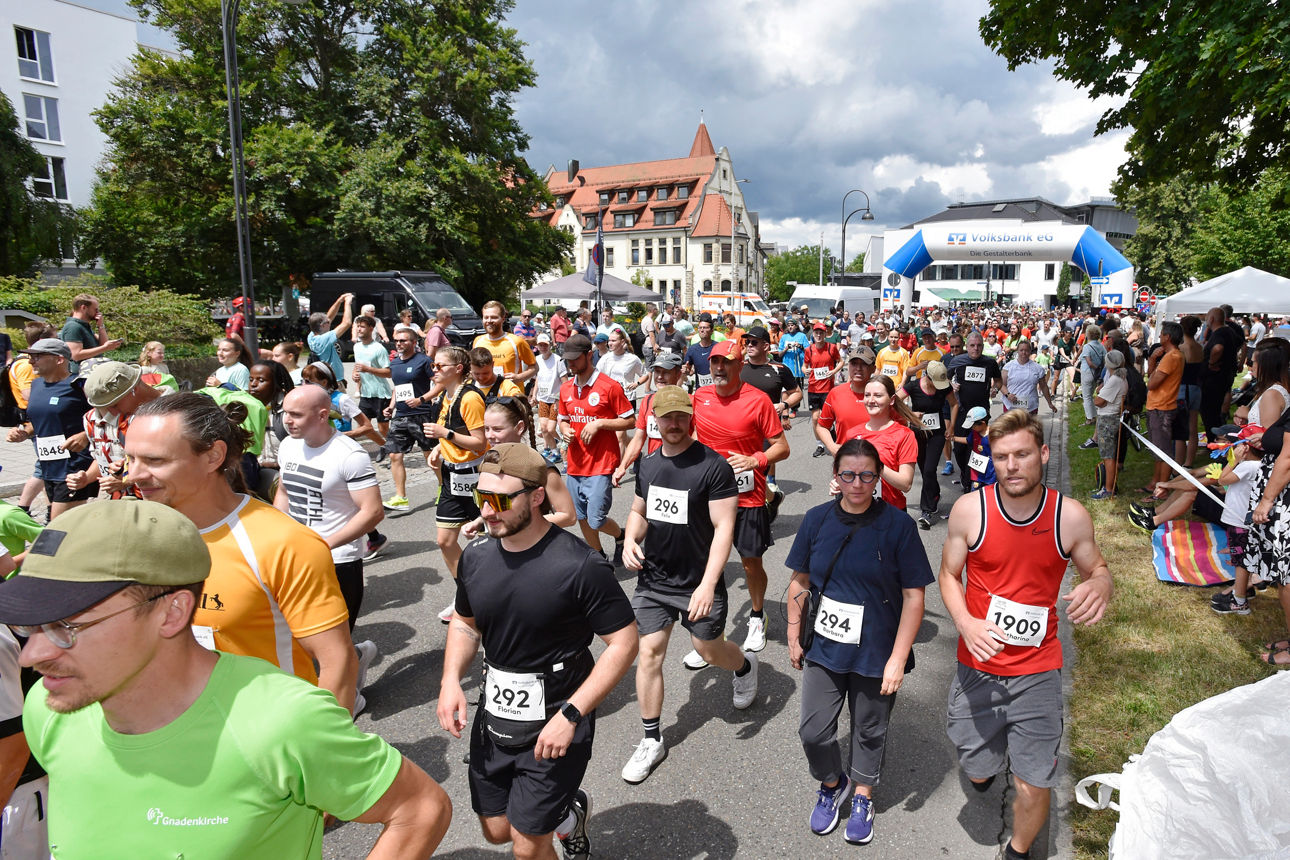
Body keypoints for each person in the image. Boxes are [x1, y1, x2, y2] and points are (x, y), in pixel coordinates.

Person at [0, 500, 451, 857]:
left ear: (171, 612)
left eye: (65, 627)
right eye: (29, 626)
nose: (32, 657)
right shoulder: (48, 707)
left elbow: (420, 809)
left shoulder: (281, 721)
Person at [437, 444, 638, 860]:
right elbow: (464, 622)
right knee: (497, 830)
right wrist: (450, 680)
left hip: (558, 715)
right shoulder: (475, 557)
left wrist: (571, 715)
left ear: (536, 497)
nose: (487, 511)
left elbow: (624, 642)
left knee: (528, 847)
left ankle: (548, 822)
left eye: (499, 501)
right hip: (496, 715)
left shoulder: (581, 566)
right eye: (480, 497)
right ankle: (567, 814)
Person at [939, 409, 1112, 860]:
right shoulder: (970, 510)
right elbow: (948, 575)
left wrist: (1100, 584)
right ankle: (985, 766)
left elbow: (1097, 568)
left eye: (1022, 454)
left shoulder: (1069, 517)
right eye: (1001, 457)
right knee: (978, 768)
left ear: (1044, 453)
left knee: (1033, 783)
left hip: (1038, 670)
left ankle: (1017, 851)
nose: (1011, 466)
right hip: (978, 667)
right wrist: (966, 623)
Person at [126, 394, 360, 710]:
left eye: (155, 461)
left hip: (272, 729)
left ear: (213, 456)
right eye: (130, 459)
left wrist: (325, 739)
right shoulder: (136, 536)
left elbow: (338, 661)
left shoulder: (284, 542)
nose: (134, 475)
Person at [786, 438, 933, 845]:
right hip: (825, 646)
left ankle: (864, 794)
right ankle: (833, 784)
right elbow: (799, 581)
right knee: (814, 732)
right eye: (848, 475)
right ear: (836, 475)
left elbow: (914, 596)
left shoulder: (899, 526)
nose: (857, 484)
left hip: (876, 650)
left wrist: (897, 659)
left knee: (869, 729)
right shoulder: (816, 519)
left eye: (867, 475)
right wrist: (794, 634)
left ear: (878, 477)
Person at [620, 387, 757, 785]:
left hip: (698, 581)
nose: (674, 424)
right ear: (655, 421)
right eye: (667, 417)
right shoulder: (648, 464)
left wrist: (708, 585)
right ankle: (651, 739)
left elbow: (724, 528)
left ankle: (745, 666)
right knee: (649, 652)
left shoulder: (713, 467)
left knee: (708, 650)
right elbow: (639, 509)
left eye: (681, 416)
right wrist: (629, 539)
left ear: (691, 418)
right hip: (654, 579)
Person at [276, 384, 385, 713]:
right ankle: (358, 656)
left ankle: (348, 700)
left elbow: (372, 511)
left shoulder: (349, 455)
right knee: (299, 637)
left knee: (332, 646)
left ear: (322, 415)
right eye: (285, 413)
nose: (287, 420)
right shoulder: (288, 446)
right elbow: (284, 492)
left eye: (296, 414)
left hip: (338, 561)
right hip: (295, 557)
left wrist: (323, 544)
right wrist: (278, 532)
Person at [691, 338, 789, 657]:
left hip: (748, 497)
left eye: (727, 362)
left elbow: (781, 447)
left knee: (750, 563)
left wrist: (754, 459)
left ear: (740, 365)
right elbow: (689, 436)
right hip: (709, 498)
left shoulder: (758, 400)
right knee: (710, 564)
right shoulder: (700, 397)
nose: (719, 367)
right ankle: (710, 634)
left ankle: (757, 616)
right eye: (715, 361)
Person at [422, 345, 490, 623]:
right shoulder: (446, 396)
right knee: (445, 540)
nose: (434, 370)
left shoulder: (470, 398)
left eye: (440, 366)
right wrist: (440, 447)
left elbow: (480, 443)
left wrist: (445, 434)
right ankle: (465, 594)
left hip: (476, 475)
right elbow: (451, 432)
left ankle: (496, 594)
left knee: (490, 540)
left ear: (458, 369)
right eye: (434, 365)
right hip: (451, 476)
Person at [557, 334, 635, 564]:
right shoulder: (566, 388)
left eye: (575, 358)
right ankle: (598, 556)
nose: (570, 363)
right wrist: (564, 429)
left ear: (589, 355)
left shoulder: (609, 386)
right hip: (575, 464)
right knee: (581, 516)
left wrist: (600, 423)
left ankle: (621, 536)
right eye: (567, 359)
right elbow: (563, 419)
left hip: (601, 464)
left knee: (596, 519)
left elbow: (630, 421)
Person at [461, 397, 576, 538]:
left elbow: (568, 516)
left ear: (520, 427)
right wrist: (479, 522)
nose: (490, 435)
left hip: (535, 544)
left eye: (497, 429)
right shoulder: (491, 462)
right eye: (486, 429)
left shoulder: (542, 468)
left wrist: (516, 524)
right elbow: (497, 505)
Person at [5, 339, 95, 520]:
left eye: (37, 357)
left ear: (59, 359)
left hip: (75, 467)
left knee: (58, 525)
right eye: (30, 357)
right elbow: (38, 421)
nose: (31, 361)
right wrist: (24, 432)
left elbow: (105, 418)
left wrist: (86, 435)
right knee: (68, 526)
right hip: (49, 466)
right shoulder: (37, 385)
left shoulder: (79, 385)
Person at [66, 361, 163, 501]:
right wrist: (87, 477)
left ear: (133, 389)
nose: (113, 413)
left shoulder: (174, 413)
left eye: (115, 404)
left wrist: (128, 478)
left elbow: (177, 466)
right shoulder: (92, 419)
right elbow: (104, 459)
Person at [381, 329, 437, 512]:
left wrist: (423, 399)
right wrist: (391, 406)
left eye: (403, 341)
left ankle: (443, 487)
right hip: (401, 415)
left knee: (430, 455)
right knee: (394, 455)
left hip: (422, 414)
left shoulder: (424, 361)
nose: (399, 343)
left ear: (414, 343)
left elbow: (440, 383)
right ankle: (400, 497)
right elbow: (398, 388)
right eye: (397, 340)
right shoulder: (395, 363)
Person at [1209, 438, 1263, 616]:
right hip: (1243, 520)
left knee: (1240, 560)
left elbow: (1222, 480)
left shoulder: (1247, 466)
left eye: (1239, 445)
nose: (1235, 448)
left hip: (1239, 521)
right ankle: (1245, 589)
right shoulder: (1260, 464)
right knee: (1243, 556)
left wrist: (1233, 462)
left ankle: (1239, 602)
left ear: (1246, 448)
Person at [613, 351, 684, 485]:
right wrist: (622, 467)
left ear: (678, 374)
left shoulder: (690, 403)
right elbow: (638, 439)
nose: (660, 377)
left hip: (682, 471)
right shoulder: (647, 401)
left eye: (666, 372)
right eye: (657, 372)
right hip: (655, 470)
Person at [900, 359, 955, 528]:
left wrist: (951, 427)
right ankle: (935, 493)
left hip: (937, 433)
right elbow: (895, 401)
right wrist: (911, 415)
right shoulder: (913, 386)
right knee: (925, 471)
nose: (938, 386)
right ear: (927, 376)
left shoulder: (944, 386)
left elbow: (954, 404)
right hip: (918, 434)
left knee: (930, 469)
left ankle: (927, 510)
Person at [852, 376, 920, 511]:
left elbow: (906, 484)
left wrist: (876, 464)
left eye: (878, 395)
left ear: (892, 399)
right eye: (867, 395)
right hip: (858, 511)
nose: (871, 400)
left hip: (891, 511)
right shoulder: (852, 433)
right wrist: (837, 483)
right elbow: (845, 473)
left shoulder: (904, 435)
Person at [949, 332, 1002, 489]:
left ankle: (971, 483)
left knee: (977, 448)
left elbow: (998, 380)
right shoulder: (957, 361)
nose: (976, 349)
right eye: (972, 345)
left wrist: (995, 389)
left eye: (979, 345)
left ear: (983, 346)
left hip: (981, 413)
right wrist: (952, 384)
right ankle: (965, 474)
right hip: (962, 411)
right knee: (959, 449)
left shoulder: (989, 363)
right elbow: (945, 378)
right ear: (967, 346)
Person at [815, 344, 878, 455]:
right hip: (845, 461)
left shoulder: (883, 395)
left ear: (873, 368)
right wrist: (832, 446)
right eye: (854, 363)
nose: (858, 368)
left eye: (864, 364)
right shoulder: (836, 393)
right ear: (848, 366)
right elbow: (822, 426)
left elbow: (900, 428)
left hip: (877, 460)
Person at [1145, 321, 1185, 494]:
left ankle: (1162, 489)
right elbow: (1151, 377)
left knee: (1163, 451)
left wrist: (1153, 361)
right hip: (1159, 406)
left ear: (1167, 337)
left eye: (1161, 334)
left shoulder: (1171, 357)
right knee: (1158, 449)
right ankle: (1155, 482)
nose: (1159, 336)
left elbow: (1151, 384)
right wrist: (1153, 360)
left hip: (1162, 407)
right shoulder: (1172, 355)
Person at [351, 314, 394, 441]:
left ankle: (394, 447)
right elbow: (357, 365)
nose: (359, 329)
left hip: (381, 395)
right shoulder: (356, 346)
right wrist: (354, 374)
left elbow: (389, 372)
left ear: (371, 328)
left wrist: (368, 370)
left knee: (383, 429)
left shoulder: (379, 349)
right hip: (366, 394)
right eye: (358, 326)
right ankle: (384, 446)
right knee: (363, 427)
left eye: (362, 327)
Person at [1091, 351, 1127, 500]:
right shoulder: (1121, 378)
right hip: (1113, 417)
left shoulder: (1115, 380)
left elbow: (1099, 401)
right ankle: (1109, 486)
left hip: (1108, 419)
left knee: (1108, 456)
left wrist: (1097, 395)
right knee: (1109, 455)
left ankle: (1108, 488)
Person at [59, 293, 123, 377]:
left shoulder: (84, 326)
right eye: (95, 309)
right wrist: (105, 347)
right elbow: (76, 355)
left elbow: (103, 344)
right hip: (81, 376)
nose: (98, 313)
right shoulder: (73, 327)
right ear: (83, 308)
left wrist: (101, 326)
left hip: (91, 374)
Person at [475, 301, 538, 386]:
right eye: (486, 317)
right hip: (484, 393)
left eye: (494, 317)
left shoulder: (517, 341)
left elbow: (534, 367)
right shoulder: (478, 341)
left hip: (511, 393)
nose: (489, 321)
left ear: (503, 319)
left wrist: (519, 377)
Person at [1201, 306, 1241, 438]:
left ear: (1212, 319)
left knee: (1210, 413)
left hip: (1214, 380)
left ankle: (1214, 440)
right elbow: (1241, 343)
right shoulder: (1229, 331)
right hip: (1223, 377)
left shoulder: (1220, 333)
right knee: (1214, 412)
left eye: (1207, 317)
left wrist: (1211, 362)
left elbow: (1218, 348)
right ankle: (1217, 438)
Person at [805, 323, 843, 458]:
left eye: (821, 333)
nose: (818, 335)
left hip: (828, 389)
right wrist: (805, 370)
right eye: (816, 333)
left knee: (829, 417)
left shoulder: (831, 348)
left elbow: (841, 362)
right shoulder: (809, 350)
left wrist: (833, 371)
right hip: (813, 388)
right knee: (815, 418)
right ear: (813, 334)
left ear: (825, 334)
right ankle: (820, 445)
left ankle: (833, 434)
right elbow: (804, 366)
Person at [307, 292, 355, 387]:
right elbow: (347, 323)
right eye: (328, 322)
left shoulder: (311, 336)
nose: (330, 322)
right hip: (333, 382)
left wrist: (339, 301)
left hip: (325, 379)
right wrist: (347, 303)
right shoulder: (324, 339)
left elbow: (328, 317)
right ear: (322, 325)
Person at [532, 333, 567, 465]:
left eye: (545, 345)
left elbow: (565, 381)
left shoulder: (558, 360)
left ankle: (564, 442)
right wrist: (534, 395)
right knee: (543, 428)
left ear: (550, 345)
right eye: (540, 345)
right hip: (543, 399)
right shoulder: (537, 360)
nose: (543, 347)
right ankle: (555, 452)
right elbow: (538, 379)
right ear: (537, 346)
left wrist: (562, 399)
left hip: (555, 399)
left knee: (551, 428)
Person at [1001, 341, 1054, 415]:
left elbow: (1044, 386)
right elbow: (1001, 384)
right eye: (1021, 350)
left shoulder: (1038, 368)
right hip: (1011, 406)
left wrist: (1050, 403)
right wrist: (1008, 395)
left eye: (1026, 350)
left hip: (1030, 408)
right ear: (1017, 351)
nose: (1024, 353)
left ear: (1030, 351)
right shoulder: (1008, 366)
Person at [1076, 324, 1106, 424]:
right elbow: (1104, 360)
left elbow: (1088, 362)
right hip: (1097, 375)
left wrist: (1095, 367)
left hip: (1087, 372)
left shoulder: (1087, 346)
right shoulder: (1101, 346)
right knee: (1091, 395)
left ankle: (1089, 418)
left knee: (1087, 396)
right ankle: (1093, 416)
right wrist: (1099, 369)